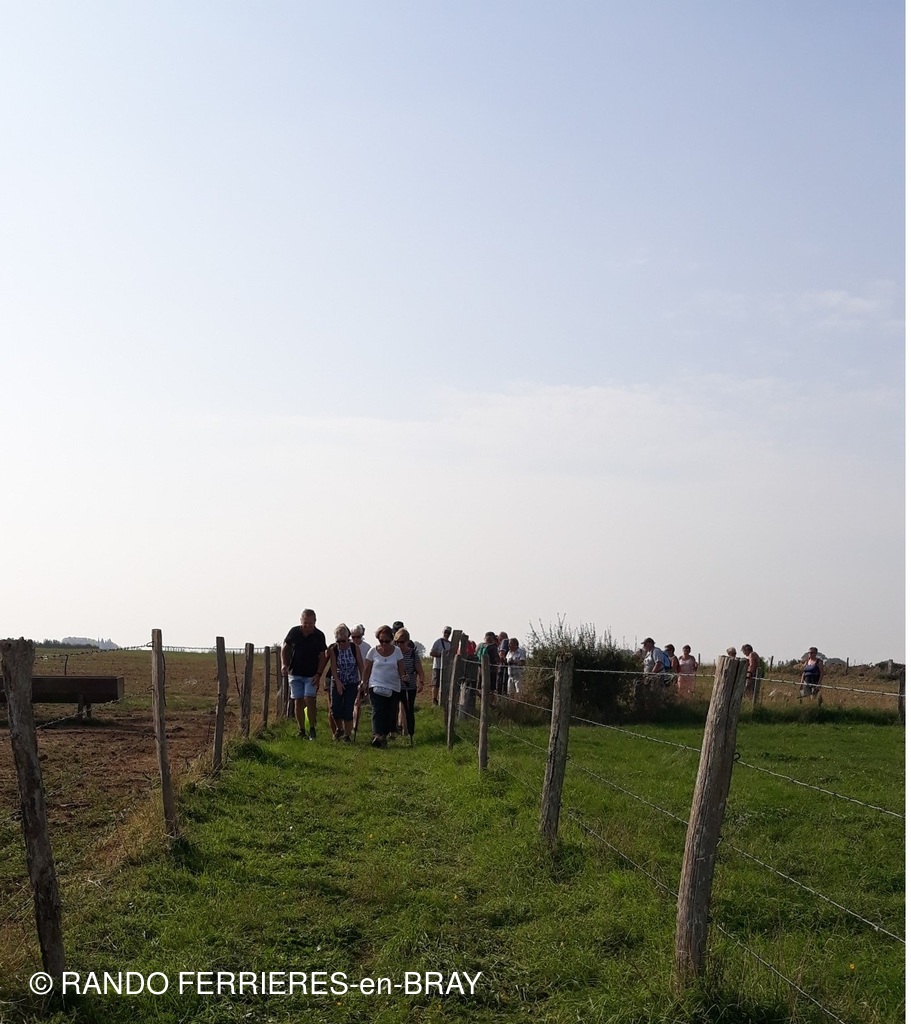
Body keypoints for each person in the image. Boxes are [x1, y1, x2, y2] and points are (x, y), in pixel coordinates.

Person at [281, 609, 328, 740]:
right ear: (301, 621)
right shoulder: (294, 632)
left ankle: (312, 728)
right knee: (298, 700)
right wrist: (284, 664)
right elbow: (285, 648)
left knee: (309, 698)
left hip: (311, 674)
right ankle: (301, 729)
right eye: (305, 623)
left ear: (315, 622)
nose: (307, 626)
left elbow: (322, 656)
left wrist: (319, 674)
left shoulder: (319, 635)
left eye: (310, 623)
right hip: (295, 672)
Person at [362, 625, 408, 748]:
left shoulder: (397, 652)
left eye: (386, 641)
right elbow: (367, 668)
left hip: (393, 686)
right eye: (381, 641)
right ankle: (377, 735)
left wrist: (403, 677)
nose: (384, 643)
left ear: (391, 640)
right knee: (377, 709)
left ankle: (384, 735)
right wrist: (364, 682)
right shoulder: (373, 651)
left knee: (390, 712)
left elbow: (401, 668)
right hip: (376, 684)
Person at [327, 624, 364, 741]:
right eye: (338, 641)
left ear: (348, 638)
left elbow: (360, 665)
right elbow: (333, 668)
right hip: (338, 680)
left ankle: (347, 735)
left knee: (348, 709)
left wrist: (363, 681)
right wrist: (337, 682)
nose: (341, 644)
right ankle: (339, 729)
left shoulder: (354, 648)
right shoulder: (334, 649)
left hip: (352, 682)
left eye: (343, 641)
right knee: (335, 708)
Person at [394, 627, 425, 742]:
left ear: (407, 641)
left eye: (402, 642)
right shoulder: (393, 653)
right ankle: (392, 732)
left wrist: (421, 683)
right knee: (392, 710)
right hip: (395, 686)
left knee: (409, 710)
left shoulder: (412, 654)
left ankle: (410, 734)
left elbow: (420, 671)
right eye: (397, 642)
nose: (399, 645)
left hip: (409, 687)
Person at [429, 627, 452, 705]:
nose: (446, 634)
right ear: (443, 632)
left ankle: (444, 700)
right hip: (437, 666)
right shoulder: (438, 642)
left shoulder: (450, 644)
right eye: (445, 632)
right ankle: (434, 699)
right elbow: (431, 653)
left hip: (446, 668)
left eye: (448, 633)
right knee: (436, 684)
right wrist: (441, 655)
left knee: (446, 684)